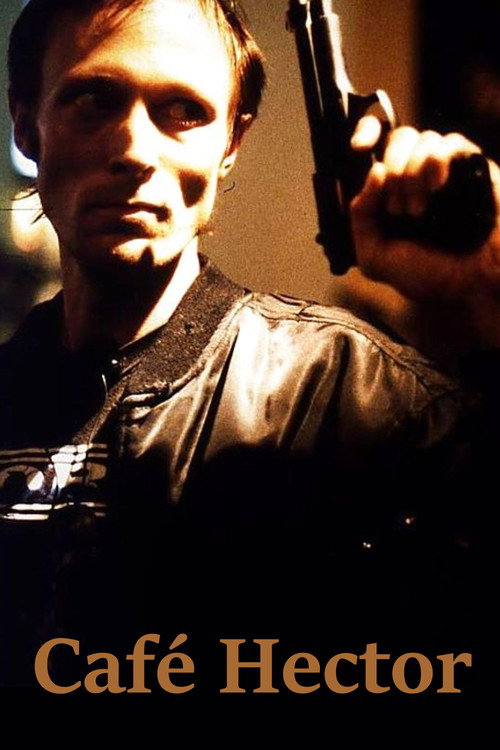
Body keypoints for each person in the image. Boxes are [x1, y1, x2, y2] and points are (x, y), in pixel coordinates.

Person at [0, 0, 497, 694]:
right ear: (28, 125)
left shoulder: (348, 392)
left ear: (231, 142)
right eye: (93, 100)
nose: (135, 151)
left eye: (184, 112)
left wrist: (491, 279)